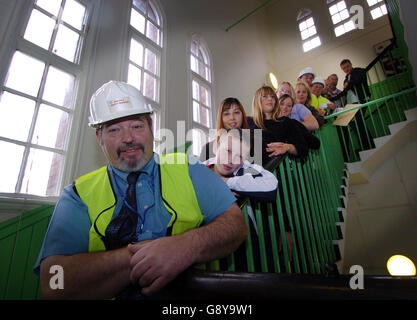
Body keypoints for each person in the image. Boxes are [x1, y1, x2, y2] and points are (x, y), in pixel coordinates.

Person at [34, 81, 248, 300]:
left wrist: (187, 245)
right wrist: (146, 256)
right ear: (99, 138)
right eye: (114, 129)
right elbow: (52, 282)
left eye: (137, 126)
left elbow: (235, 224)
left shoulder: (187, 167)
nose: (128, 138)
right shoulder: (78, 194)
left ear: (151, 128)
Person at [205, 128, 278, 202]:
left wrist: (226, 182)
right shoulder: (200, 168)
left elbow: (271, 186)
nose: (231, 160)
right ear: (216, 147)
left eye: (239, 156)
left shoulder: (242, 169)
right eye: (228, 151)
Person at [248, 85, 309, 167]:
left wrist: (288, 147)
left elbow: (303, 149)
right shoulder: (248, 123)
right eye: (265, 96)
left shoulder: (285, 122)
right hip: (256, 175)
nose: (270, 99)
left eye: (273, 96)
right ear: (257, 100)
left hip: (282, 173)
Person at [332, 59, 374, 151]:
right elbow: (345, 91)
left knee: (359, 123)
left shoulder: (358, 71)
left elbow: (357, 81)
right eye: (344, 68)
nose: (346, 69)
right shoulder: (346, 78)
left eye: (347, 66)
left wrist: (348, 84)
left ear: (351, 64)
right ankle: (366, 145)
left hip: (360, 101)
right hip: (352, 104)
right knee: (357, 124)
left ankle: (368, 146)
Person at [199, 97, 249, 162]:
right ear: (221, 118)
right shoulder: (208, 148)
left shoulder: (257, 143)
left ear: (243, 115)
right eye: (226, 114)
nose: (232, 117)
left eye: (236, 112)